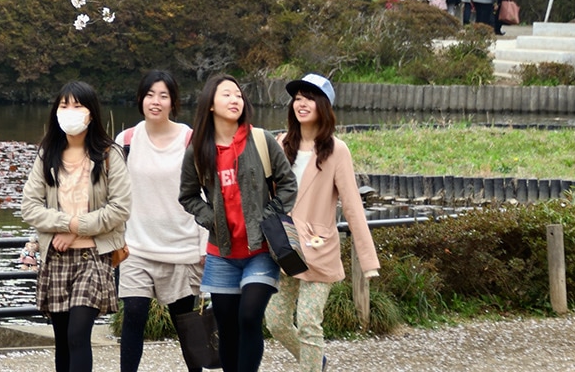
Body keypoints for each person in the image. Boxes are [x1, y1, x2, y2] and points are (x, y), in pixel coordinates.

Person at [178, 73, 297, 372]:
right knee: (227, 327)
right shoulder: (198, 151)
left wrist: (266, 218)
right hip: (222, 254)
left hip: (262, 249)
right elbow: (188, 196)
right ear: (210, 105)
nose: (235, 100)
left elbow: (288, 185)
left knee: (249, 316)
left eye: (238, 95)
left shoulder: (261, 140)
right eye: (227, 95)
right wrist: (212, 221)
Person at [264, 74, 379, 372]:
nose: (302, 103)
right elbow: (267, 195)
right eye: (298, 98)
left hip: (319, 249)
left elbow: (352, 206)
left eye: (310, 97)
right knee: (275, 320)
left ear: (324, 105)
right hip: (285, 246)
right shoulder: (281, 142)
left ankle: (311, 367)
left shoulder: (337, 150)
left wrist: (368, 260)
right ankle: (316, 362)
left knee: (308, 321)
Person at [21, 80, 131, 372]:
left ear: (91, 113)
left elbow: (120, 208)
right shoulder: (48, 154)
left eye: (77, 105)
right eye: (64, 105)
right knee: (62, 339)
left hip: (93, 257)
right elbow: (29, 206)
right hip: (55, 257)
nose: (70, 111)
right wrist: (64, 224)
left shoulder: (109, 154)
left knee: (77, 334)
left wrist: (76, 229)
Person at [113, 70, 205, 372]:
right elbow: (115, 194)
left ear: (173, 102)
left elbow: (205, 192)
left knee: (185, 323)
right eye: (150, 94)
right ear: (141, 99)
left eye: (163, 95)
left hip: (180, 246)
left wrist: (205, 243)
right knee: (135, 313)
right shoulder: (126, 140)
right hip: (136, 247)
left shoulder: (190, 138)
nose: (156, 101)